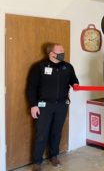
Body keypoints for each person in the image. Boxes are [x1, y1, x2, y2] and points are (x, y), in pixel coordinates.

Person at [28, 43, 79, 171]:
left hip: (61, 105)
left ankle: (54, 156)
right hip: (44, 105)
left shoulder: (67, 67)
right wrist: (33, 105)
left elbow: (74, 80)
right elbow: (31, 88)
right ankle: (37, 162)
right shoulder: (39, 67)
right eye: (60, 51)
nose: (63, 53)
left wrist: (76, 84)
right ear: (51, 54)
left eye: (63, 51)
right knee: (41, 133)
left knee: (56, 132)